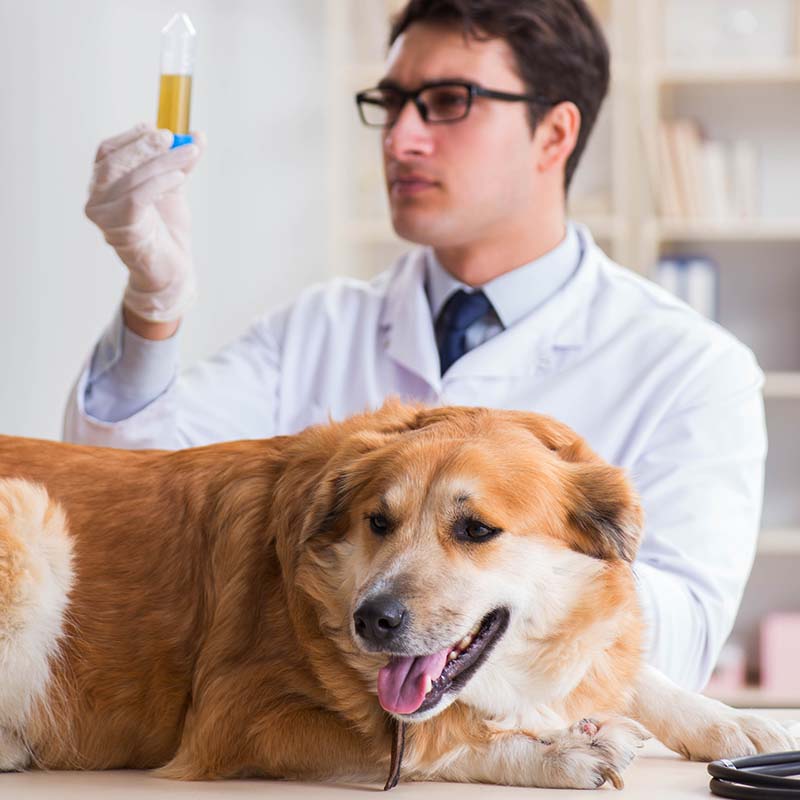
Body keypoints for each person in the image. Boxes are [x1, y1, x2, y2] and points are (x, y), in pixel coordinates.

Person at [65, 0, 767, 696]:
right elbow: (129, 513)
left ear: (553, 134)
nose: (400, 140)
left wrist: (519, 557)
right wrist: (154, 303)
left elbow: (681, 651)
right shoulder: (319, 326)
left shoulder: (692, 367)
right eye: (392, 102)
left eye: (446, 102)